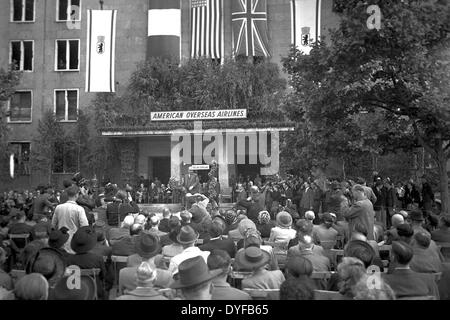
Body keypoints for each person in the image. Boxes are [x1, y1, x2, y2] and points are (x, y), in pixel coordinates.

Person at [66, 226, 110, 299]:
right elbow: (104, 276)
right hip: (95, 291)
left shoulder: (69, 260)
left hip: (76, 294)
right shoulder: (97, 258)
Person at [51, 185, 89, 254]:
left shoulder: (58, 207)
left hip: (60, 239)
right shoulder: (79, 209)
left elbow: (53, 225)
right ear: (77, 195)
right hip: (74, 240)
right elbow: (85, 226)